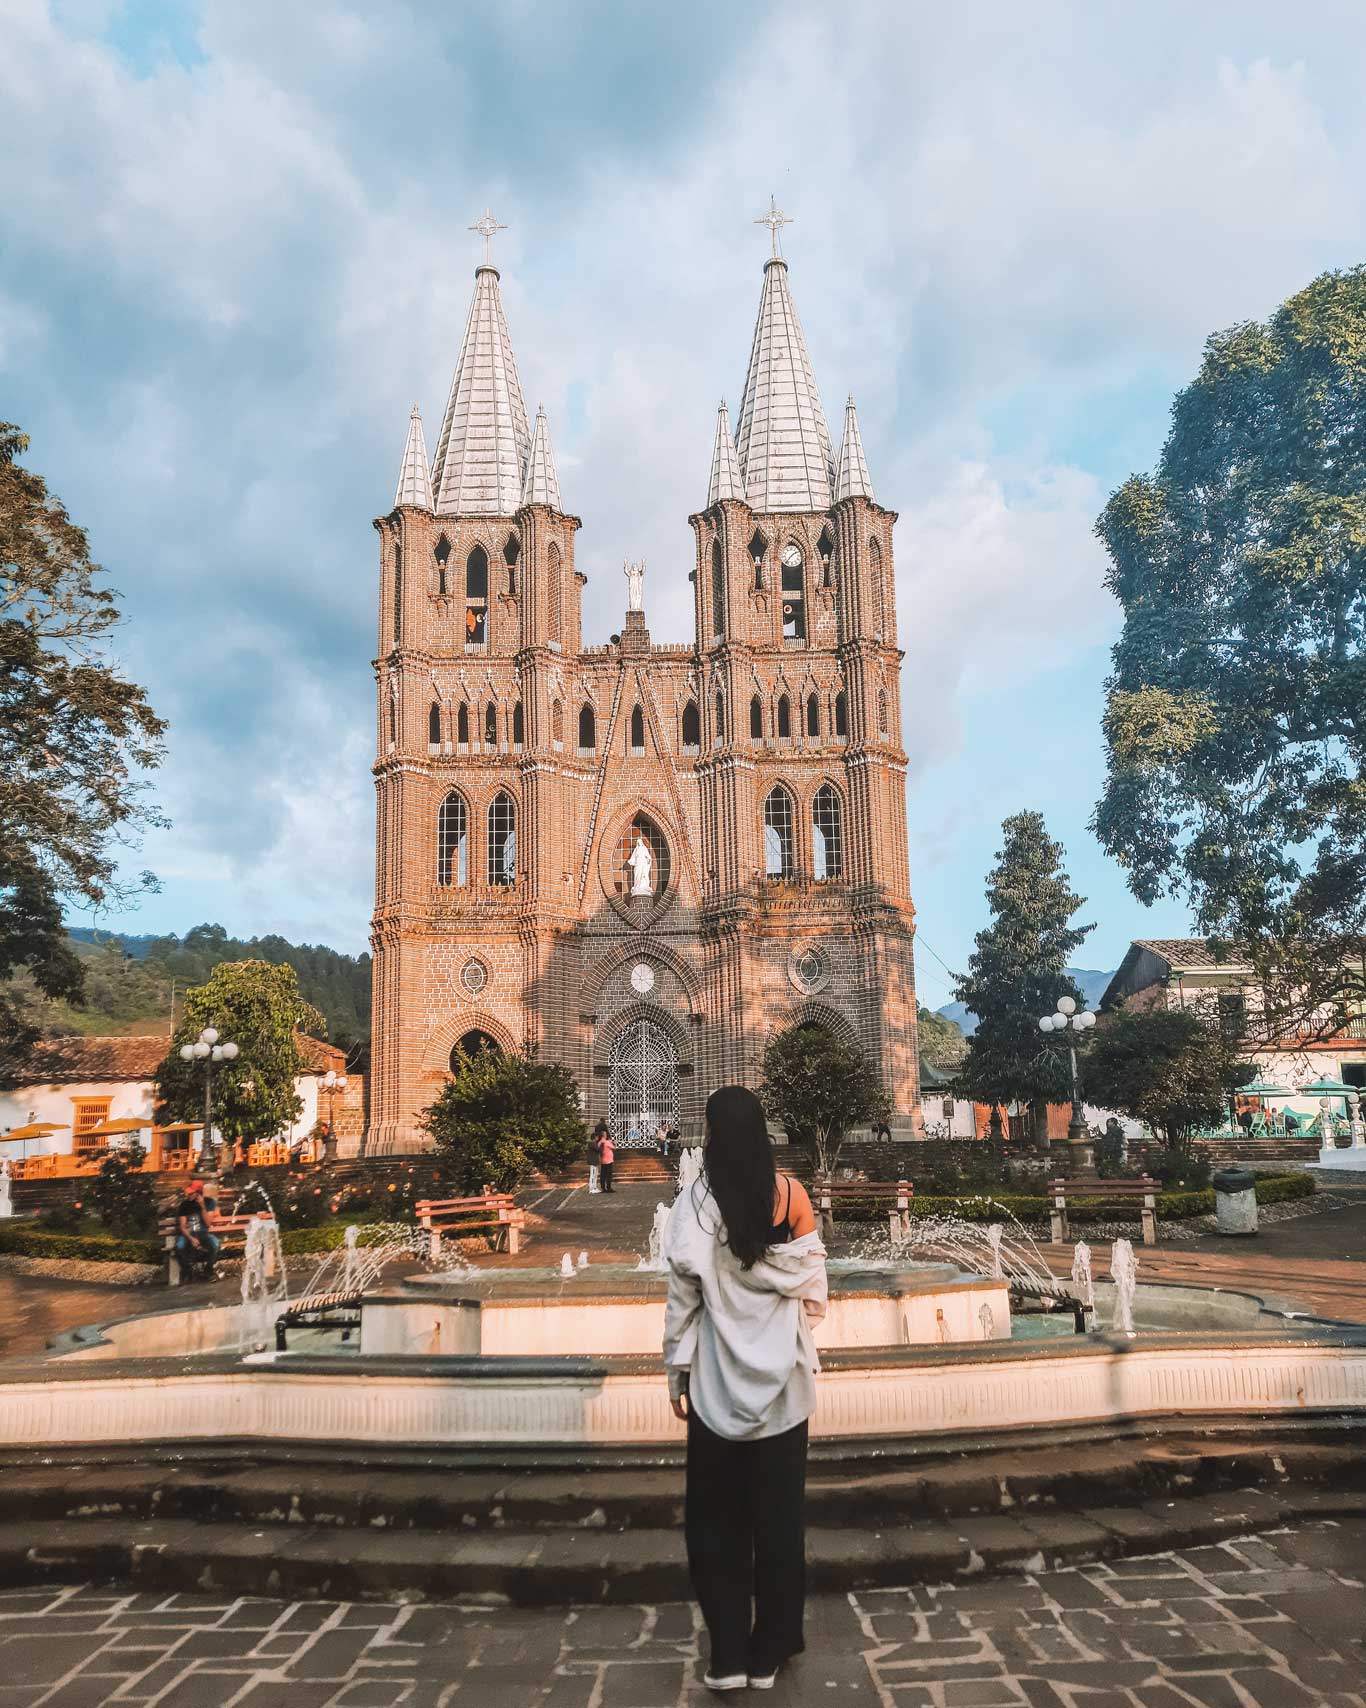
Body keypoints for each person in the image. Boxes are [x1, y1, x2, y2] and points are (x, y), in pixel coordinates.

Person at [663, 1085, 826, 1692]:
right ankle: (770, 1651)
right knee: (781, 1523)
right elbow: (812, 1290)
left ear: (712, 1134)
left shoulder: (695, 1204)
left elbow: (683, 1298)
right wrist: (779, 1328)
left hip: (714, 1386)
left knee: (715, 1525)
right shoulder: (791, 1195)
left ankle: (728, 1655)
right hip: (783, 1386)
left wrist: (676, 1371)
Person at [174, 1178, 220, 1282]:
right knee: (179, 1246)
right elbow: (182, 1226)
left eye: (191, 1193)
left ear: (199, 1194)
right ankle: (188, 1271)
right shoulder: (184, 1205)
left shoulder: (209, 1202)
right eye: (188, 1193)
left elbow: (208, 1223)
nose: (188, 1195)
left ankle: (208, 1271)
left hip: (203, 1233)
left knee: (215, 1244)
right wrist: (191, 1239)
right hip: (188, 1234)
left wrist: (202, 1206)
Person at [595, 1123, 616, 1193]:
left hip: (603, 1160)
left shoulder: (599, 1143)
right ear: (604, 1135)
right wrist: (613, 1142)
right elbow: (614, 1147)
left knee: (603, 1174)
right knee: (608, 1174)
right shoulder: (607, 1142)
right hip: (609, 1160)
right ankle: (609, 1187)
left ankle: (603, 1187)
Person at [588, 1120, 608, 1194]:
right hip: (593, 1161)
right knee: (593, 1175)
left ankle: (595, 1187)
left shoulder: (593, 1143)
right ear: (594, 1137)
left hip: (595, 1161)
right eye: (597, 1137)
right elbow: (599, 1150)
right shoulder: (592, 1143)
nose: (597, 1138)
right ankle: (591, 1188)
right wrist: (602, 1144)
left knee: (595, 1174)